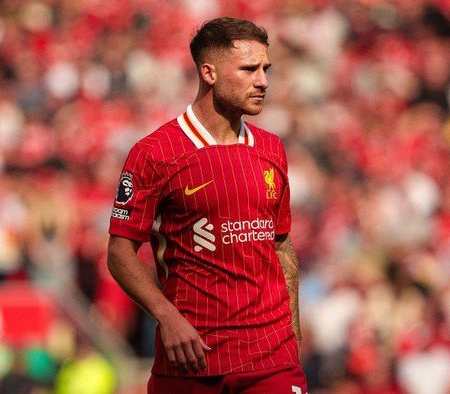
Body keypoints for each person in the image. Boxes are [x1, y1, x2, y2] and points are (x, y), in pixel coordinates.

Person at [106, 17, 307, 393]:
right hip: (192, 359)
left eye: (266, 69)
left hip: (271, 360)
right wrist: (166, 316)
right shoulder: (156, 153)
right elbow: (120, 252)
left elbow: (282, 245)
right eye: (249, 69)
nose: (262, 80)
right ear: (209, 72)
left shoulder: (271, 149)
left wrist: (293, 339)